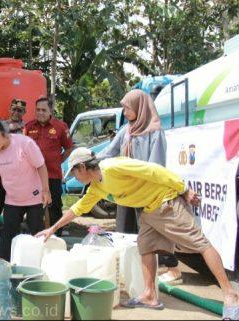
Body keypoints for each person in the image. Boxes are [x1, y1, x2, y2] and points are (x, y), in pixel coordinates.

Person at [36, 148, 239, 318]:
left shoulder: (113, 167)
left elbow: (153, 171)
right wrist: (52, 229)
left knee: (199, 243)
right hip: (149, 209)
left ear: (82, 167)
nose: (75, 178)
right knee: (145, 246)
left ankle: (230, 294)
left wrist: (183, 189)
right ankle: (150, 294)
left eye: (75, 173)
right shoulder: (96, 187)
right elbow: (77, 209)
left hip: (166, 202)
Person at [98, 89, 182, 285]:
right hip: (126, 190)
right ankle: (130, 268)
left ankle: (172, 269)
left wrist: (142, 182)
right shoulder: (126, 130)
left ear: (139, 107)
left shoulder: (154, 131)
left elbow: (156, 165)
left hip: (146, 190)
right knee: (123, 229)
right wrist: (89, 157)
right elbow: (110, 152)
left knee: (152, 229)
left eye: (128, 107)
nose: (125, 111)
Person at [0, 115, 52, 261]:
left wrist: (45, 190)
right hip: (12, 200)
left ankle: (41, 267)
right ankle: (4, 269)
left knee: (37, 236)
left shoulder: (24, 144)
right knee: (7, 238)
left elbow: (41, 166)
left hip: (34, 198)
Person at [25, 97, 74, 234]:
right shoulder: (29, 127)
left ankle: (56, 235)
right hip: (33, 176)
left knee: (54, 208)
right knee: (34, 208)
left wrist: (58, 160)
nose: (40, 113)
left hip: (53, 175)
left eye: (44, 110)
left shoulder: (60, 127)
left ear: (51, 110)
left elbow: (69, 148)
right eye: (38, 110)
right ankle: (36, 235)